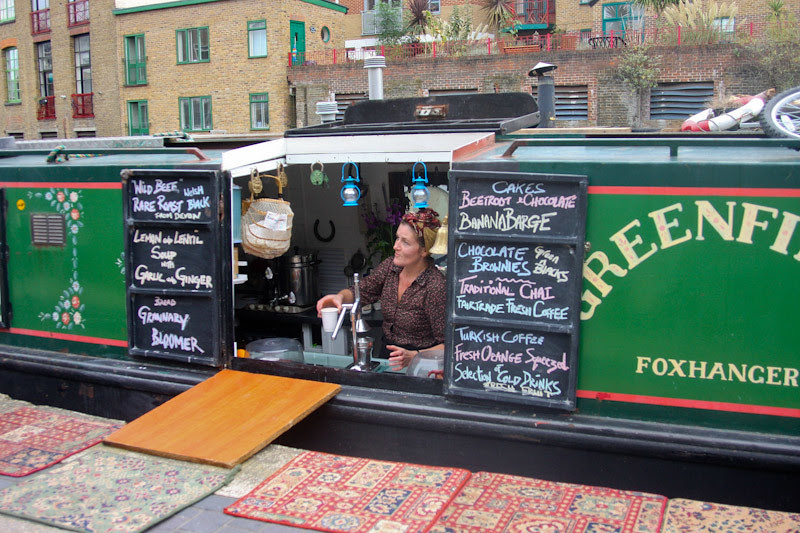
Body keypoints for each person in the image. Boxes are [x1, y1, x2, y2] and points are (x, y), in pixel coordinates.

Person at [316, 208, 446, 371]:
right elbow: (361, 291)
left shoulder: (435, 286)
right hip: (386, 357)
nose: (395, 246)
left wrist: (414, 356)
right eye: (397, 238)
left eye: (405, 242)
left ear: (424, 250)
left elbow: (450, 345)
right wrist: (340, 297)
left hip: (422, 364)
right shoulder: (390, 268)